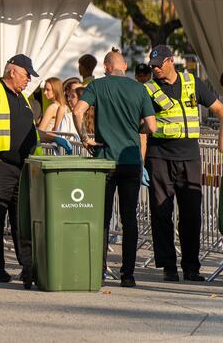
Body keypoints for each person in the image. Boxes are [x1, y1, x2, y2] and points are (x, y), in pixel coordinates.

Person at [0, 54, 70, 288]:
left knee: (23, 219)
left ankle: (28, 267)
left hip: (21, 167)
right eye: (26, 74)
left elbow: (30, 131)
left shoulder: (24, 99)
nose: (29, 79)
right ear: (12, 71)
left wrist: (54, 138)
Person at [73, 50, 156, 287]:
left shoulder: (98, 86)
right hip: (130, 160)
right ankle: (128, 274)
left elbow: (77, 111)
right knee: (130, 218)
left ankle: (98, 270)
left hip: (105, 160)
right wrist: (136, 129)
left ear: (107, 67)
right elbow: (152, 125)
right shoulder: (139, 89)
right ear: (124, 66)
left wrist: (84, 137)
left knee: (102, 217)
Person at [142, 45, 223, 282]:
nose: (155, 69)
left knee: (191, 215)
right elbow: (142, 130)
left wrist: (221, 141)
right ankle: (168, 267)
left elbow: (219, 109)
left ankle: (191, 267)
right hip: (159, 158)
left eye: (158, 64)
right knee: (161, 213)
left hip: (190, 158)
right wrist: (141, 162)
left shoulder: (192, 82)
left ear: (170, 61)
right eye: (152, 66)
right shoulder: (148, 89)